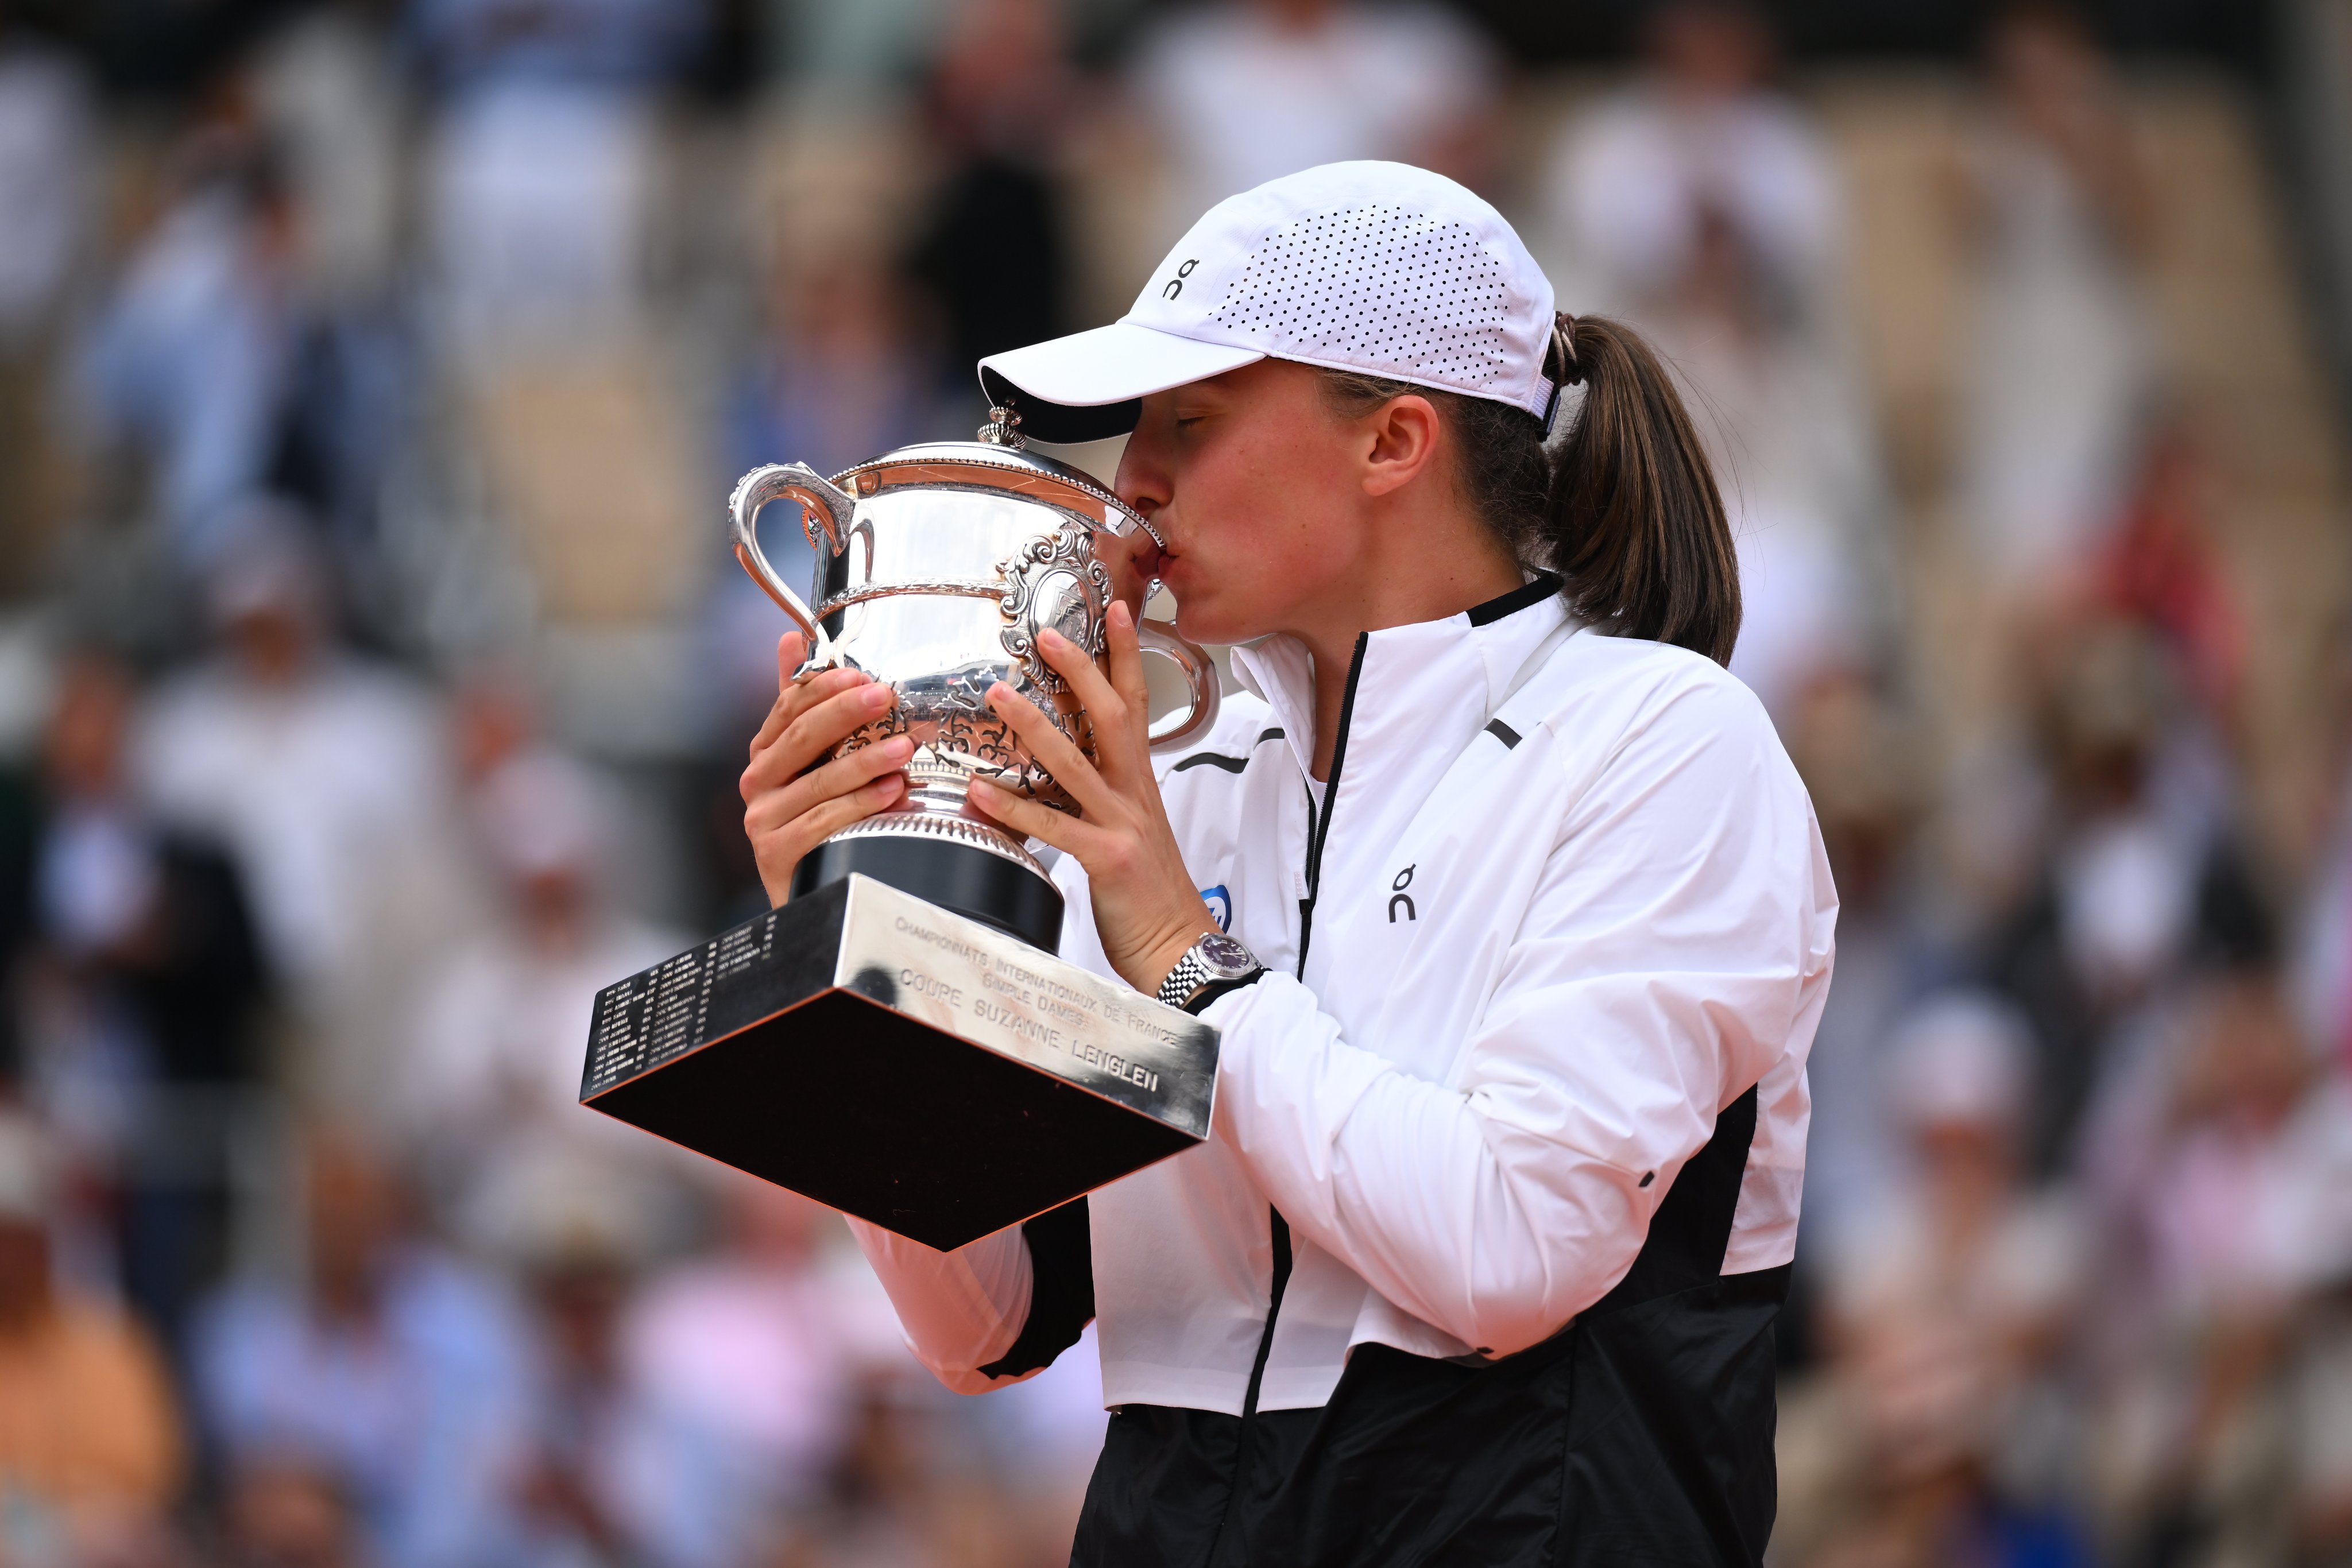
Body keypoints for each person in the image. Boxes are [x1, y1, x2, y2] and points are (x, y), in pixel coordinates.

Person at [738, 162, 1835, 1563]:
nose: (1132, 482)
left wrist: (1184, 965)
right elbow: (987, 1322)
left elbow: (1514, 1254)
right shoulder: (1167, 785)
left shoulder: (1663, 739)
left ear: (1393, 443)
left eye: (1187, 421)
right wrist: (861, 946)